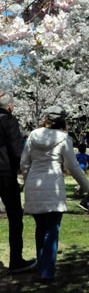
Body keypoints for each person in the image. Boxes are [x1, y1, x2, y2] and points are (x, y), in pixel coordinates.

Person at [20, 104, 89, 282]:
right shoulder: (64, 138)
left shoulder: (33, 136)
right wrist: (87, 187)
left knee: (40, 229)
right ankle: (47, 271)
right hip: (54, 188)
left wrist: (28, 180)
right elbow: (72, 166)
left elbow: (24, 162)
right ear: (63, 121)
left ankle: (41, 266)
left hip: (34, 186)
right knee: (52, 231)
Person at [0, 92, 36, 274]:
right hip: (5, 174)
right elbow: (17, 151)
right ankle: (16, 261)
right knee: (15, 217)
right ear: (10, 106)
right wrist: (23, 173)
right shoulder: (8, 120)